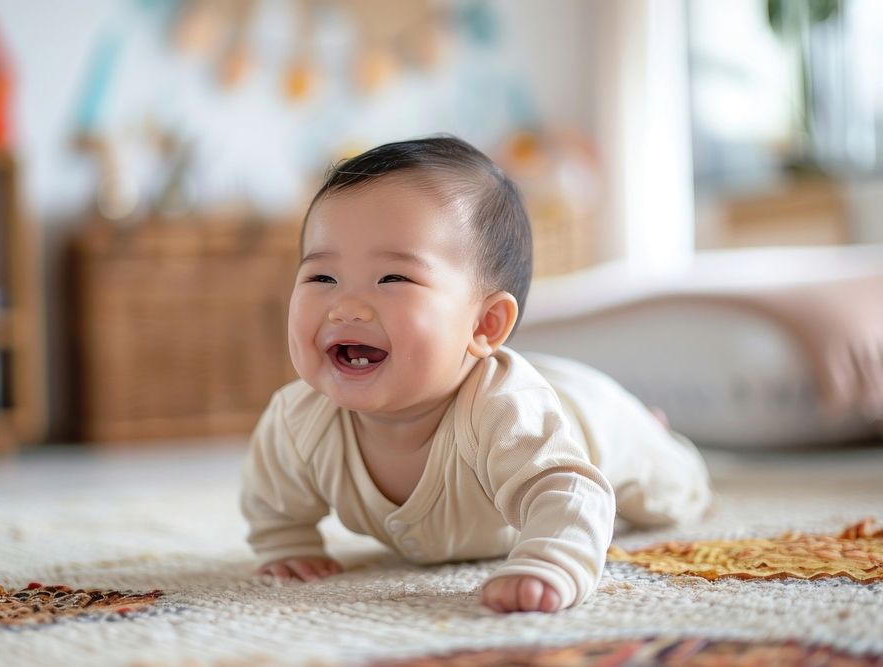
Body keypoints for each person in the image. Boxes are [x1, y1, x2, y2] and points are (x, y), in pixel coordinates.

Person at [240, 136, 711, 614]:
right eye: (322, 278)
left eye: (393, 278)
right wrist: (287, 544)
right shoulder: (298, 420)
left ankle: (655, 432)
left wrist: (548, 562)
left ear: (485, 324)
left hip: (595, 419)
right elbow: (274, 499)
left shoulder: (506, 412)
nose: (346, 306)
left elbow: (571, 493)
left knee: (670, 495)